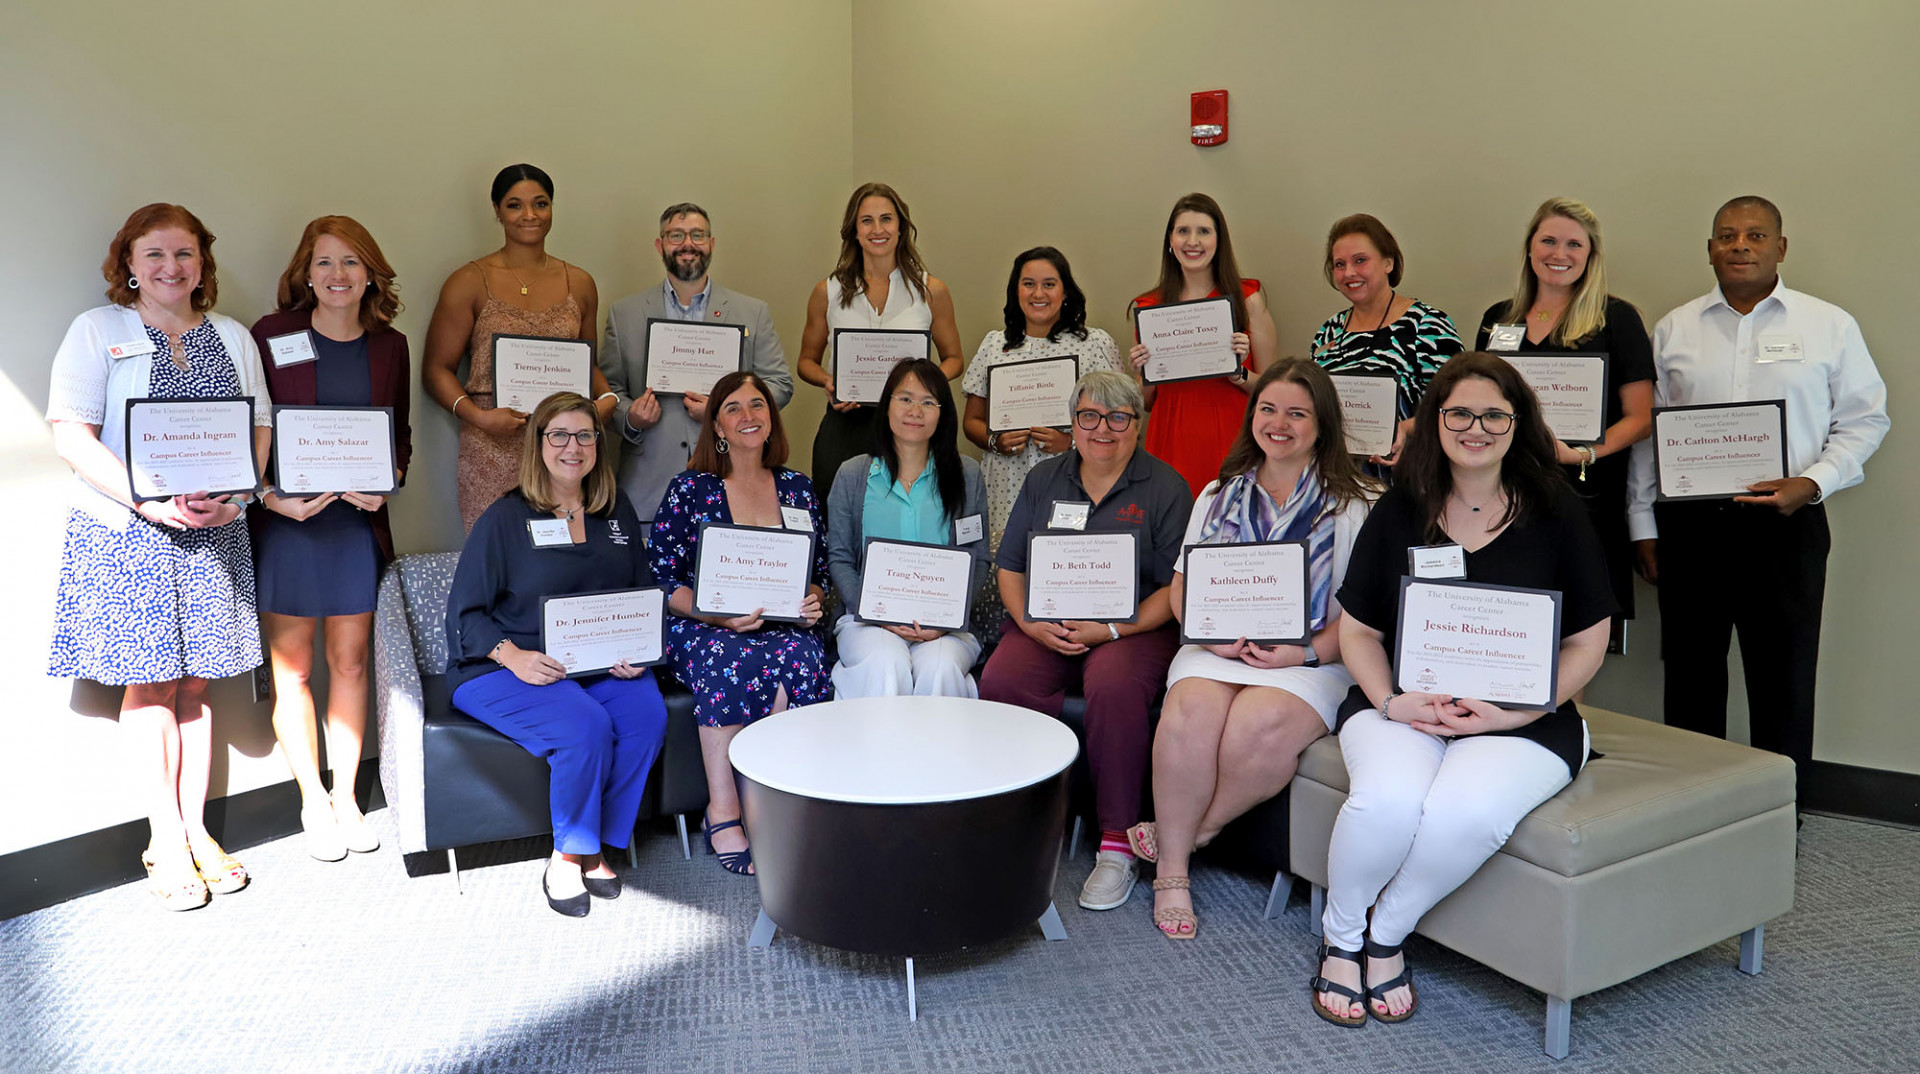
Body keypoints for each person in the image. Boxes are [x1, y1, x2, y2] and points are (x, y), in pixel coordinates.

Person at [1311, 353, 1615, 1026]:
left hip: (1524, 717)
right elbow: (1358, 632)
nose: (1475, 428)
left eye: (1494, 414)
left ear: (1519, 423)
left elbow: (1588, 643)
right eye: (1459, 413)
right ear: (1434, 421)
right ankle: (1339, 937)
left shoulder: (1558, 510)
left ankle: (1384, 934)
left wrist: (1512, 715)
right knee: (1386, 803)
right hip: (1402, 703)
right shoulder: (1401, 507)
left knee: (1463, 815)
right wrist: (1393, 701)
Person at [45, 203, 273, 910]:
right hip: (129, 534)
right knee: (148, 688)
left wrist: (236, 498)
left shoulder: (231, 335)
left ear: (203, 262)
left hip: (213, 531)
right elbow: (71, 435)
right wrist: (148, 502)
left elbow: (257, 426)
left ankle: (199, 831)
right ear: (129, 263)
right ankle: (165, 837)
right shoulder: (98, 329)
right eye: (154, 255)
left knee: (197, 686)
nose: (171, 267)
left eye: (184, 253)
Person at [1627, 196, 1888, 801]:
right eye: (1726, 235)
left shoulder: (1829, 325)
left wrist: (1814, 482)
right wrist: (1642, 523)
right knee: (1691, 678)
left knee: (1785, 677)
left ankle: (1779, 814)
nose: (1740, 245)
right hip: (1692, 528)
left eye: (1755, 235)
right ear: (1710, 249)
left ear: (1780, 248)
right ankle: (1691, 808)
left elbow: (1865, 421)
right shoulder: (1675, 328)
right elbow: (1649, 433)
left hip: (1787, 523)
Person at [1135, 359, 1377, 940]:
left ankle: (1191, 835)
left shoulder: (1356, 503)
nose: (1280, 423)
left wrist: (1304, 654)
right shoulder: (1219, 493)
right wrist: (1210, 633)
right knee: (1191, 709)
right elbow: (1181, 584)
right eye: (1268, 409)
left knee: (1260, 721)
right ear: (1252, 417)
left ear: (1323, 424)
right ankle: (1172, 875)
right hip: (1215, 644)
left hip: (1313, 653)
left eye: (1298, 412)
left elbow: (1361, 611)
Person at [444, 393, 668, 917]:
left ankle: (599, 844)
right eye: (559, 435)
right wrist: (514, 656)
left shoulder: (616, 512)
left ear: (598, 443)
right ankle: (568, 855)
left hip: (594, 666)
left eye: (586, 435)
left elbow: (641, 593)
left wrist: (637, 652)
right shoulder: (504, 517)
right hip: (503, 666)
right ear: (538, 443)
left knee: (646, 714)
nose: (574, 447)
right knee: (582, 724)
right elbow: (465, 614)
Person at [978, 370, 1192, 912]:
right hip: (1046, 622)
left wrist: (1114, 629)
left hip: (1130, 628)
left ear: (1136, 425)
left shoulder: (1166, 487)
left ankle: (1117, 843)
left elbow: (1174, 588)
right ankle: (1013, 823)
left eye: (1119, 417)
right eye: (1089, 416)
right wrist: (1028, 622)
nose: (1103, 429)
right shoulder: (1045, 479)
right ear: (1073, 423)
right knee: (1002, 680)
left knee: (1115, 688)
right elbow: (1009, 566)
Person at [250, 216, 411, 861]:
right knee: (291, 669)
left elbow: (398, 440)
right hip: (290, 525)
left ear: (370, 272)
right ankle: (311, 800)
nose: (337, 275)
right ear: (305, 272)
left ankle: (346, 796)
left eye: (351, 262)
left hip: (354, 526)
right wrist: (268, 497)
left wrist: (389, 482)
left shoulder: (389, 345)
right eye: (324, 263)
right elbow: (251, 430)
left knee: (350, 662)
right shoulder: (271, 336)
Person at [648, 371, 830, 876]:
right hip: (704, 624)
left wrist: (811, 600)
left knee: (799, 656)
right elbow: (660, 579)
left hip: (782, 625)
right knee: (733, 657)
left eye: (757, 406)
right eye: (733, 408)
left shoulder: (798, 489)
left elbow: (817, 576)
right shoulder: (691, 489)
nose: (747, 416)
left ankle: (783, 804)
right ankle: (724, 809)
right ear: (717, 426)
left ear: (771, 421)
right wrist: (714, 614)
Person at [1474, 198, 1653, 634]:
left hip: (1585, 496)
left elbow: (1643, 417)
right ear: (1530, 249)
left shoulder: (1617, 319)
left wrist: (1582, 455)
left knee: (1575, 621)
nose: (1560, 254)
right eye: (1549, 241)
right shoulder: (1498, 320)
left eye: (1574, 244)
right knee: (1505, 616)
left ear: (1590, 256)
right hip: (1504, 490)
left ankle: (1564, 706)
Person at [423, 164, 616, 532]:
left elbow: (585, 362)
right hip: (493, 444)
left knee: (566, 552)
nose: (529, 215)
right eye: (515, 205)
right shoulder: (468, 281)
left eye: (540, 204)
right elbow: (436, 370)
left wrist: (606, 399)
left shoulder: (581, 283)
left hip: (565, 446)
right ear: (496, 210)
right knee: (499, 559)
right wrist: (479, 418)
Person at [599, 202, 793, 537]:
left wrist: (725, 410)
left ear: (711, 244)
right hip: (649, 487)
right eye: (676, 235)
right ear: (660, 245)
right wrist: (631, 417)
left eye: (697, 235)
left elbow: (780, 383)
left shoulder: (752, 312)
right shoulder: (624, 313)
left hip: (734, 479)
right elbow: (608, 390)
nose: (688, 243)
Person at [827, 358, 988, 698]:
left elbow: (978, 558)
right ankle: (879, 752)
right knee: (887, 661)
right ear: (886, 406)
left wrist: (944, 621)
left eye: (928, 401)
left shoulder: (968, 475)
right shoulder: (853, 475)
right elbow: (840, 557)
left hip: (945, 628)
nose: (916, 410)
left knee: (940, 667)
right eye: (905, 399)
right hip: (867, 621)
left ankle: (943, 753)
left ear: (942, 414)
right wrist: (876, 615)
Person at [796, 182, 964, 503]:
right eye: (867, 220)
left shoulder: (932, 291)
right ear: (853, 230)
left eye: (886, 219)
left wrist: (924, 388)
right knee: (839, 518)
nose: (878, 229)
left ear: (901, 226)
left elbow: (955, 358)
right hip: (846, 421)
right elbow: (806, 362)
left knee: (909, 516)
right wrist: (829, 382)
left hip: (911, 425)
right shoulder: (827, 291)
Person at [960, 246, 1123, 553]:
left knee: (1068, 563)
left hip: (1075, 477)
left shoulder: (1095, 344)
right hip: (1006, 482)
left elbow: (1121, 423)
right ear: (1015, 291)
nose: (1039, 293)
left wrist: (1071, 442)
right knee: (1007, 569)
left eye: (1049, 284)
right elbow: (972, 422)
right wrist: (997, 441)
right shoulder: (995, 345)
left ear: (1065, 291)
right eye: (1028, 283)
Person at [1127, 193, 1279, 497]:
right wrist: (1142, 373)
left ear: (1219, 241)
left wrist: (1240, 374)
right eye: (1183, 231)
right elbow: (1145, 402)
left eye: (1204, 231)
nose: (1192, 241)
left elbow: (1276, 394)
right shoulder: (1151, 307)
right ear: (1170, 240)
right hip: (1171, 438)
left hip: (1232, 438)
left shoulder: (1247, 300)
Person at [1309, 214, 1462, 466]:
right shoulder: (1329, 330)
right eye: (1339, 264)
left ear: (1388, 263)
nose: (1349, 272)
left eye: (1360, 260)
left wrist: (1404, 429)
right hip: (1335, 478)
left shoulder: (1427, 324)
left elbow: (1458, 405)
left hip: (1409, 477)